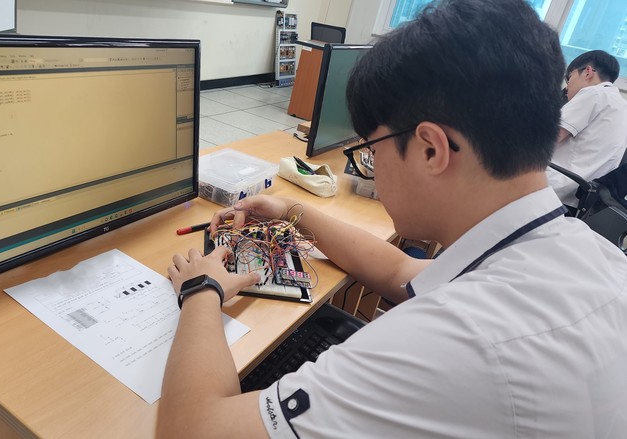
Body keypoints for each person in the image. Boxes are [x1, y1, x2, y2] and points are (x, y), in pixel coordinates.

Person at [158, 0, 627, 437]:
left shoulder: (451, 343)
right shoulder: (584, 252)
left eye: (371, 150)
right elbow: (402, 271)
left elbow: (191, 429)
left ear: (431, 150)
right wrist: (291, 211)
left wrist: (201, 290)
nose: (371, 168)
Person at [548, 50, 627, 208]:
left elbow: (547, 139)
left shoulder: (594, 93)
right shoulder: (621, 106)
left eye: (569, 78)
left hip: (555, 187)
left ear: (587, 72)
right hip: (583, 199)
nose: (567, 88)